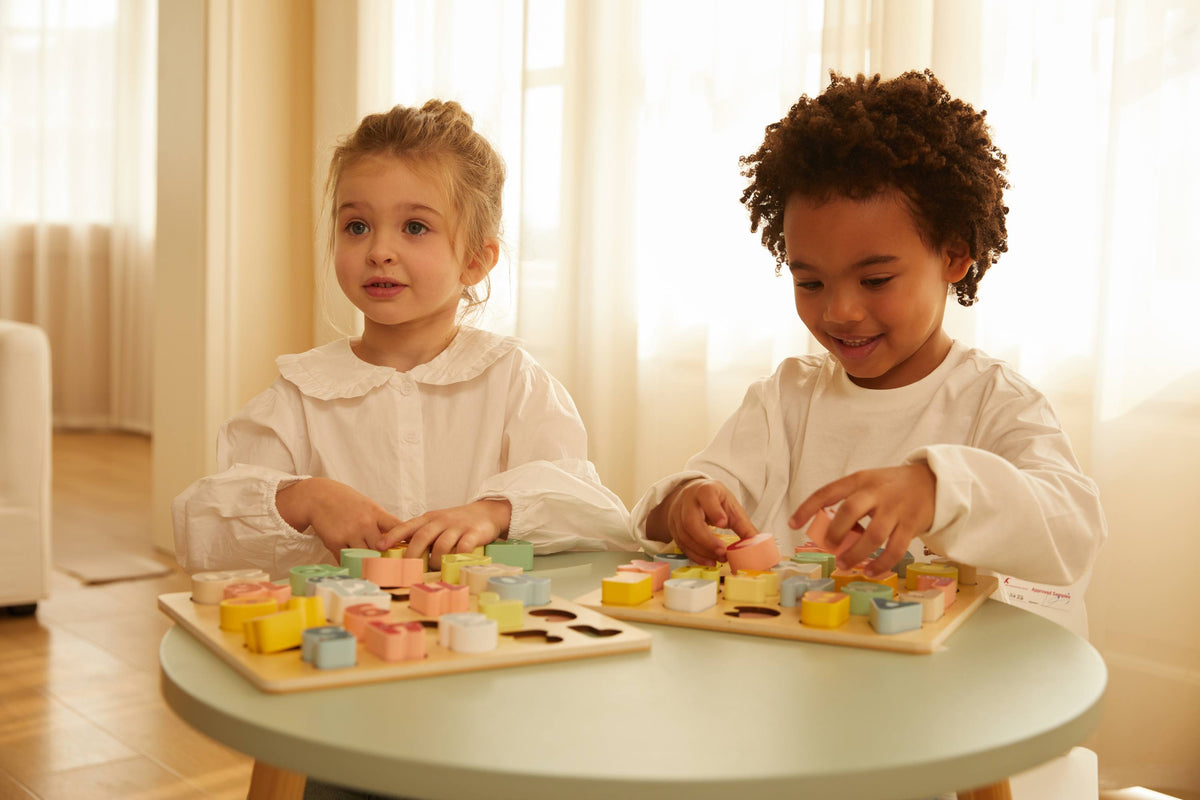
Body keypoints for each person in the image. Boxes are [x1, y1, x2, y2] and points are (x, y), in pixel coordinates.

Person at [632, 70, 1105, 640]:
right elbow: (681, 502)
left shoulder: (993, 402)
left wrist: (939, 490)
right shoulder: (785, 399)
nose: (840, 313)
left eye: (876, 280)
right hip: (800, 685)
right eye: (810, 284)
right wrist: (683, 503)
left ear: (954, 255)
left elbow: (1072, 531)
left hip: (943, 701)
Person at [173, 100, 635, 580]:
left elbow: (594, 515)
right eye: (357, 226)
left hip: (487, 639)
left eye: (415, 227)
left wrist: (493, 513)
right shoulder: (302, 391)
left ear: (476, 260)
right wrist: (305, 497)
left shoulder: (512, 379)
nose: (379, 252)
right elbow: (204, 529)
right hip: (343, 637)